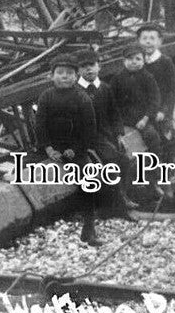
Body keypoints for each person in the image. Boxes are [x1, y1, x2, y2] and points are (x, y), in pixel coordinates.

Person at [33, 54, 102, 245]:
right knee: (22, 169)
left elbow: (89, 128)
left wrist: (76, 149)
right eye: (60, 73)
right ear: (51, 76)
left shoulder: (82, 98)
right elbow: (40, 125)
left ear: (76, 75)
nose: (65, 77)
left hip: (75, 149)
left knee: (89, 181)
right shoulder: (46, 96)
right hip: (51, 147)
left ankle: (89, 228)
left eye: (70, 73)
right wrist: (47, 148)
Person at [76, 50, 136, 215]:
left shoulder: (104, 88)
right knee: (113, 161)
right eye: (84, 67)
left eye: (92, 65)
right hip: (88, 138)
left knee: (125, 161)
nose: (89, 70)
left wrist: (119, 135)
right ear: (78, 71)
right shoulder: (75, 92)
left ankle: (122, 195)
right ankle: (116, 203)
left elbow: (114, 113)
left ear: (99, 67)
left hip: (106, 135)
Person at [111, 43, 163, 157]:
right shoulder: (117, 79)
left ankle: (157, 164)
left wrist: (145, 119)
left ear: (143, 61)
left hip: (143, 117)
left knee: (152, 135)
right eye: (130, 58)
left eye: (138, 59)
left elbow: (155, 100)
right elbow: (112, 103)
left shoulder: (148, 77)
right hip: (125, 119)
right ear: (124, 61)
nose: (134, 61)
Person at [137, 24, 175, 156]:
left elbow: (172, 90)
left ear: (160, 41)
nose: (148, 42)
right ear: (139, 41)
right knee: (150, 140)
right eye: (144, 38)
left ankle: (168, 168)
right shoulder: (138, 63)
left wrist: (164, 111)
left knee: (169, 139)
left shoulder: (165, 62)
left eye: (152, 38)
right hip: (145, 111)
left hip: (161, 110)